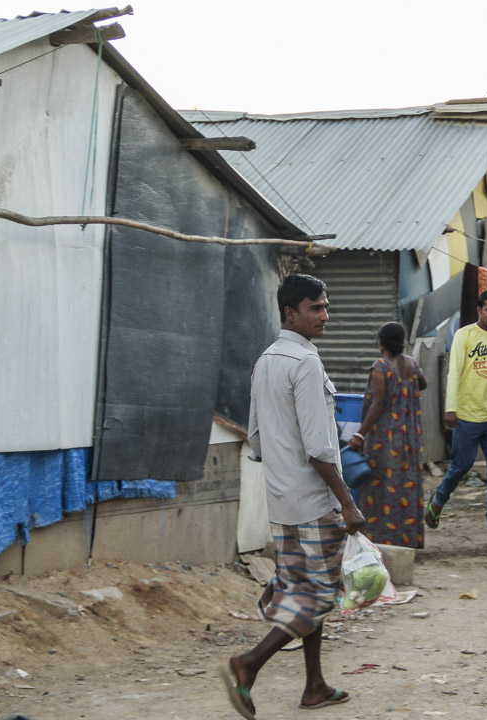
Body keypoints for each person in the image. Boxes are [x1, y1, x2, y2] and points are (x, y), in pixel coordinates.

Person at [222, 274, 365, 719]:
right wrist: (346, 500)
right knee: (319, 595)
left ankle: (315, 685)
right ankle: (250, 663)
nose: (325, 315)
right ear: (290, 313)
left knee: (304, 589)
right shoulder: (303, 363)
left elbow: (259, 438)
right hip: (314, 501)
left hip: (282, 501)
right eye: (316, 308)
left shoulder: (266, 360)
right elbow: (320, 447)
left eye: (325, 306)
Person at [425, 290, 487, 537]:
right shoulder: (464, 335)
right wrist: (450, 408)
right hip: (466, 415)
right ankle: (438, 500)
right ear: (479, 310)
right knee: (460, 466)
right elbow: (454, 372)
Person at [347, 321, 428, 548]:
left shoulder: (380, 366)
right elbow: (422, 383)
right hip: (410, 437)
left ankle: (379, 540)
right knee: (407, 486)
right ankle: (407, 540)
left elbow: (378, 403)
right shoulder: (412, 364)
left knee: (380, 487)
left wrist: (359, 435)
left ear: (380, 342)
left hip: (385, 437)